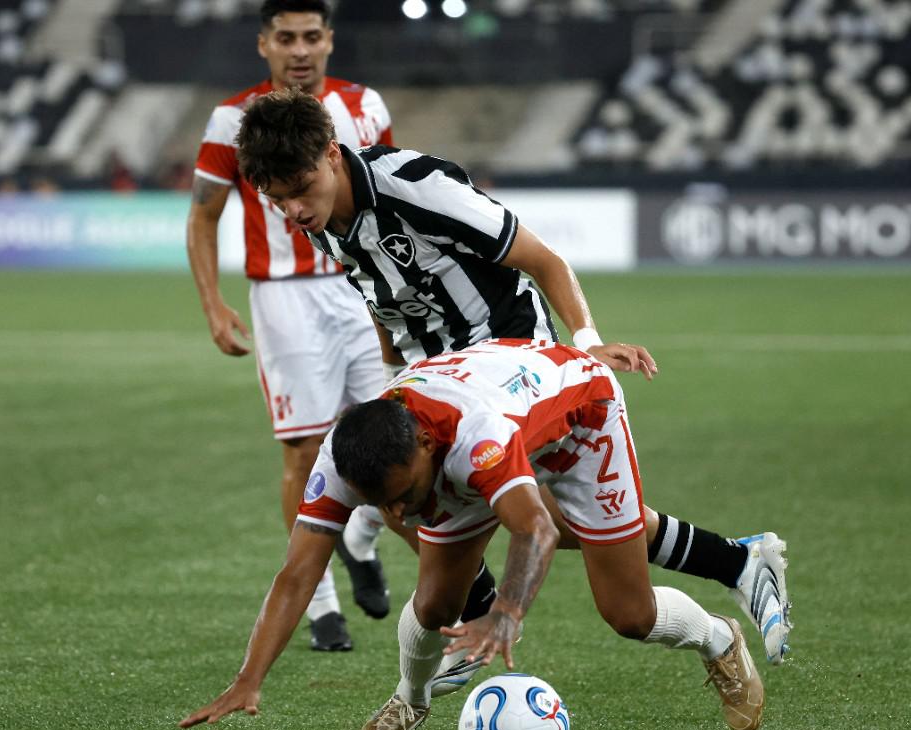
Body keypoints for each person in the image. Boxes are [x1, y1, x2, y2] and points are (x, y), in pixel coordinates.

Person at [230, 87, 791, 672]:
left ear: (331, 153)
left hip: (509, 362)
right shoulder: (320, 215)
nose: (293, 210)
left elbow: (543, 259)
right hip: (431, 377)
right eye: (277, 199)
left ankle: (475, 616)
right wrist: (393, 377)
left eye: (300, 190)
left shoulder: (418, 187)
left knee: (508, 515)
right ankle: (733, 563)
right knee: (515, 512)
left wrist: (587, 342)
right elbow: (381, 296)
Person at [179, 339, 767, 730]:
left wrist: (506, 612)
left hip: (584, 419)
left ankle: (719, 639)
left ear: (425, 448)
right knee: (436, 604)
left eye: (402, 496)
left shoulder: (472, 437)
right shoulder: (345, 457)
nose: (397, 515)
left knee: (628, 613)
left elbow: (534, 528)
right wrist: (249, 677)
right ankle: (411, 699)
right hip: (489, 421)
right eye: (381, 504)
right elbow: (296, 573)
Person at [187, 0, 400, 651]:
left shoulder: (364, 107)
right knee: (305, 452)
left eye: (311, 36)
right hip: (284, 301)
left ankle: (360, 540)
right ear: (264, 44)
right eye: (286, 38)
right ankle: (322, 605)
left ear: (330, 39)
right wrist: (213, 303)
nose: (299, 50)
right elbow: (203, 215)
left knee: (396, 437)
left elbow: (392, 194)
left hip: (361, 290)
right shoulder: (232, 119)